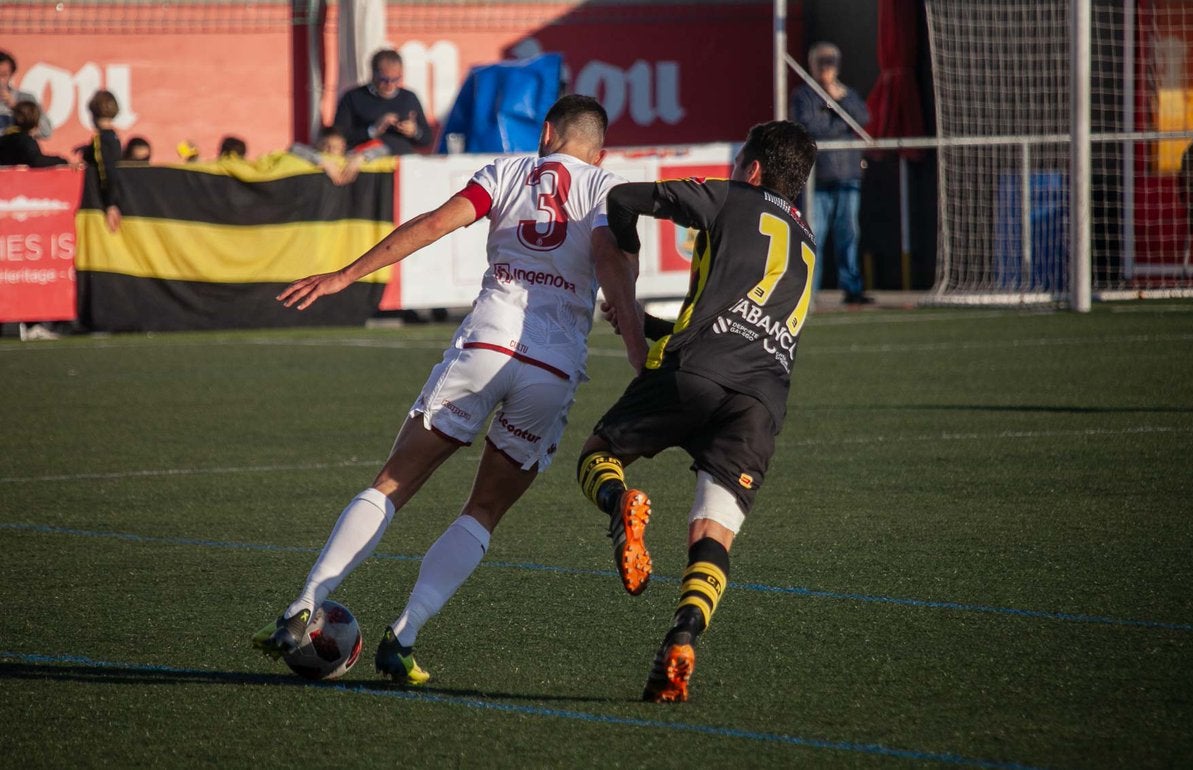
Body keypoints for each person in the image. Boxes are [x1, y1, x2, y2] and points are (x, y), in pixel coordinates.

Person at [253, 95, 632, 685]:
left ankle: (305, 601)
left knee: (392, 483)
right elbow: (609, 262)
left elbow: (433, 224)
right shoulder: (607, 189)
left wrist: (344, 275)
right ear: (598, 150)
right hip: (551, 369)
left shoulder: (507, 172)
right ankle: (402, 637)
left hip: (485, 346)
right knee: (482, 510)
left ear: (547, 133)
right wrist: (633, 335)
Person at [576, 119, 818, 703]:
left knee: (599, 454)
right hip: (761, 401)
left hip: (698, 373)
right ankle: (682, 637)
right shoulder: (808, 242)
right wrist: (655, 326)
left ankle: (620, 502)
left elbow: (623, 197)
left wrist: (626, 279)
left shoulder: (731, 196)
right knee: (713, 532)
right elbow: (745, 325)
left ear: (753, 170)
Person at [790, 42, 872, 305]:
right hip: (818, 178)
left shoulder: (846, 94)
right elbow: (811, 127)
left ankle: (852, 288)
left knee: (849, 234)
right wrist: (836, 118)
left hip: (848, 175)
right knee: (815, 236)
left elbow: (862, 117)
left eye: (831, 63)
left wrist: (839, 99)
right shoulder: (804, 96)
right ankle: (809, 293)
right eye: (822, 62)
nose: (827, 68)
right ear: (812, 65)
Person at [334, 48, 432, 156]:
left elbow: (427, 139)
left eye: (395, 79)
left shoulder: (409, 97)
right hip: (365, 163)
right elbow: (338, 138)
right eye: (384, 80)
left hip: (401, 162)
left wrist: (414, 131)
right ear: (373, 74)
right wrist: (373, 130)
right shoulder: (353, 97)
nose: (390, 84)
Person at [78, 90, 123, 233]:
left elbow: (106, 170)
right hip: (115, 196)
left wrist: (110, 204)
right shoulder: (114, 138)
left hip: (103, 201)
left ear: (93, 115)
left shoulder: (100, 140)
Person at [0, 49, 52, 139]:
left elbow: (46, 131)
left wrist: (17, 107)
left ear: (11, 75)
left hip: (16, 149)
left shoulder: (25, 98)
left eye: (4, 75)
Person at [0, 101, 68, 167]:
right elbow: (36, 161)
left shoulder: (4, 139)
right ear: (35, 122)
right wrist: (62, 161)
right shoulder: (26, 141)